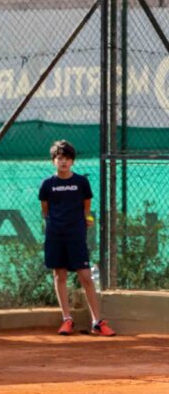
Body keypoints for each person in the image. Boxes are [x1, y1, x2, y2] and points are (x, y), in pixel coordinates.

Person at [39, 140, 115, 337]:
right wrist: (56, 224)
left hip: (76, 236)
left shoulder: (81, 182)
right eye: (60, 158)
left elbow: (86, 206)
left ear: (72, 161)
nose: (64, 162)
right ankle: (67, 320)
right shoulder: (47, 184)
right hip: (55, 236)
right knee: (60, 276)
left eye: (67, 158)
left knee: (86, 277)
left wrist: (85, 219)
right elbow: (46, 210)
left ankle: (97, 322)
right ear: (53, 161)